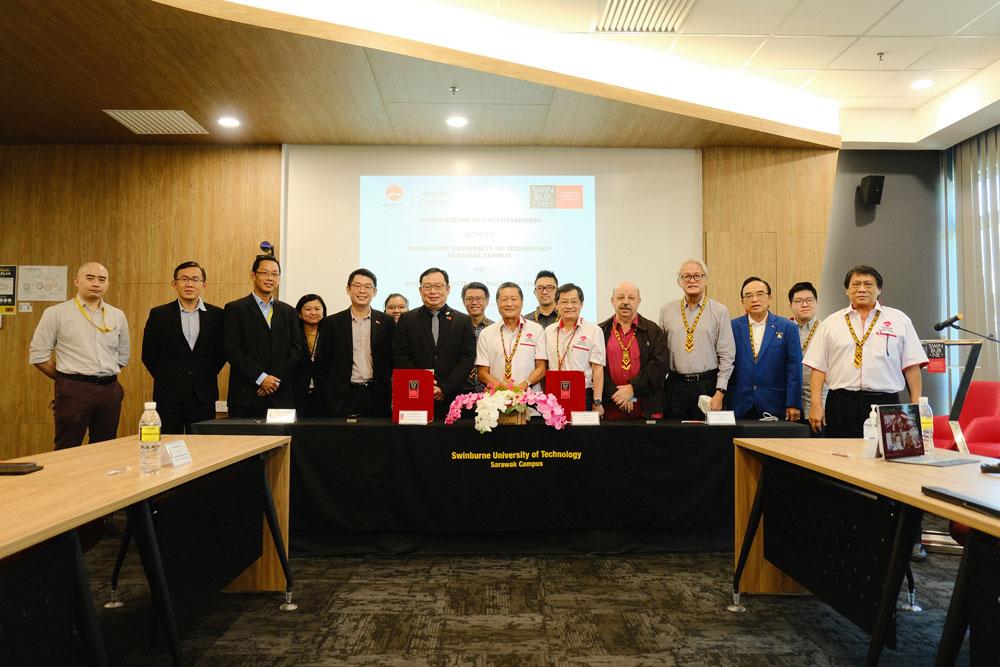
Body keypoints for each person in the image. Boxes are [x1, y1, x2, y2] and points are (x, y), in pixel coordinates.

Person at [803, 265, 928, 437]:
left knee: (886, 458)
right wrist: (816, 405)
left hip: (886, 402)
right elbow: (818, 369)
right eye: (856, 284)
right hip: (841, 403)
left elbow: (912, 365)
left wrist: (917, 404)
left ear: (879, 290)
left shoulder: (900, 320)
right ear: (847, 290)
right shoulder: (831, 323)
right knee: (840, 458)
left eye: (868, 284)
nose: (861, 289)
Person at [29, 261, 130, 449]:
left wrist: (103, 375)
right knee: (67, 447)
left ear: (107, 284)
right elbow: (38, 355)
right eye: (90, 278)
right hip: (73, 390)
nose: (96, 283)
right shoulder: (56, 313)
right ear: (76, 281)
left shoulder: (117, 315)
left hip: (109, 390)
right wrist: (66, 378)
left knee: (105, 448)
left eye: (102, 279)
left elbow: (123, 355)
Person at [141, 261, 226, 434]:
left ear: (204, 284)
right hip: (169, 395)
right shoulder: (159, 314)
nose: (189, 284)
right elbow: (149, 354)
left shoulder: (218, 315)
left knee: (203, 449)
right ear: (175, 284)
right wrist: (169, 375)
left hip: (204, 395)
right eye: (184, 279)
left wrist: (203, 373)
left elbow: (221, 353)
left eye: (195, 279)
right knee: (168, 446)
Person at [223, 255, 303, 419]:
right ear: (253, 275)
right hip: (247, 395)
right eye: (265, 273)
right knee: (244, 444)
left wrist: (273, 381)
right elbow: (232, 350)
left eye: (275, 274)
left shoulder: (288, 312)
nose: (270, 278)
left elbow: (296, 350)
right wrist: (260, 378)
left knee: (282, 443)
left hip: (281, 396)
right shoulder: (235, 309)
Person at [392, 267, 477, 417]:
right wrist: (422, 384)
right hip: (415, 394)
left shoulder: (463, 321)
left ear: (448, 289)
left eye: (438, 286)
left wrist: (445, 388)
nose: (433, 291)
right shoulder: (407, 319)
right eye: (427, 287)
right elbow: (399, 355)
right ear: (420, 290)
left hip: (453, 398)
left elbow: (467, 357)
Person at [658, 259, 735, 419]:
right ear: (679, 282)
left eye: (697, 276)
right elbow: (660, 352)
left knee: (706, 439)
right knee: (673, 436)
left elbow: (727, 355)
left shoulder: (720, 311)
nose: (692, 280)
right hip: (675, 385)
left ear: (705, 280)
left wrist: (720, 392)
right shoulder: (667, 310)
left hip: (707, 385)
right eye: (686, 276)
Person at [315, 269, 394, 417]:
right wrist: (328, 395)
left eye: (368, 287)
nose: (362, 291)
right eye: (357, 286)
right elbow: (322, 364)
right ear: (348, 289)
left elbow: (391, 359)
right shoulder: (332, 323)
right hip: (343, 397)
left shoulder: (386, 322)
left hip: (377, 396)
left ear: (375, 291)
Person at [727, 277, 802, 421]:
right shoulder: (732, 327)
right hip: (739, 404)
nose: (755, 299)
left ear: (770, 298)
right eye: (749, 296)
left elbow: (794, 368)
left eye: (760, 294)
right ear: (743, 302)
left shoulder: (788, 327)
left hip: (775, 404)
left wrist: (793, 403)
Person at [599, 282, 668, 419]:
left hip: (647, 407)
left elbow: (660, 365)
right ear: (612, 301)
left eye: (631, 298)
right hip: (612, 406)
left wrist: (632, 388)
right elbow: (596, 369)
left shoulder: (653, 330)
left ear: (639, 301)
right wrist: (617, 395)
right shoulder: (600, 331)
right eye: (620, 298)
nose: (625, 302)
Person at [545, 283, 605, 413]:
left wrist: (597, 401)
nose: (569, 306)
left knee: (582, 433)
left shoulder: (593, 331)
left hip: (584, 397)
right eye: (564, 302)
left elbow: (598, 368)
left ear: (581, 304)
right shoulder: (548, 332)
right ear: (556, 305)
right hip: (554, 397)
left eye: (574, 302)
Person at [476, 282, 547, 391]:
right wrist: (504, 391)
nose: (509, 304)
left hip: (530, 398)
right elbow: (482, 373)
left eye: (514, 299)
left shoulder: (536, 330)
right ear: (497, 303)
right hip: (497, 400)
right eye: (504, 300)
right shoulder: (486, 333)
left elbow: (541, 368)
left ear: (522, 302)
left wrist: (524, 385)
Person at [788, 281, 827, 436]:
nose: (804, 304)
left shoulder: (827, 329)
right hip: (790, 406)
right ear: (790, 305)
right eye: (798, 301)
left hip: (820, 405)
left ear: (817, 303)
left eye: (809, 300)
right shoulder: (783, 330)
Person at [292, 293, 327, 418]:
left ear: (323, 312)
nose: (313, 312)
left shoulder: (331, 333)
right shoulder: (291, 334)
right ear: (299, 314)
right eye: (308, 309)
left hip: (325, 394)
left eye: (317, 309)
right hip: (297, 393)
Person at [461, 281, 493, 394]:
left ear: (487, 301)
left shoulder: (495, 329)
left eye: (479, 298)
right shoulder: (456, 327)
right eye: (469, 299)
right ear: (463, 302)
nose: (474, 302)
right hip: (460, 392)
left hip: (489, 393)